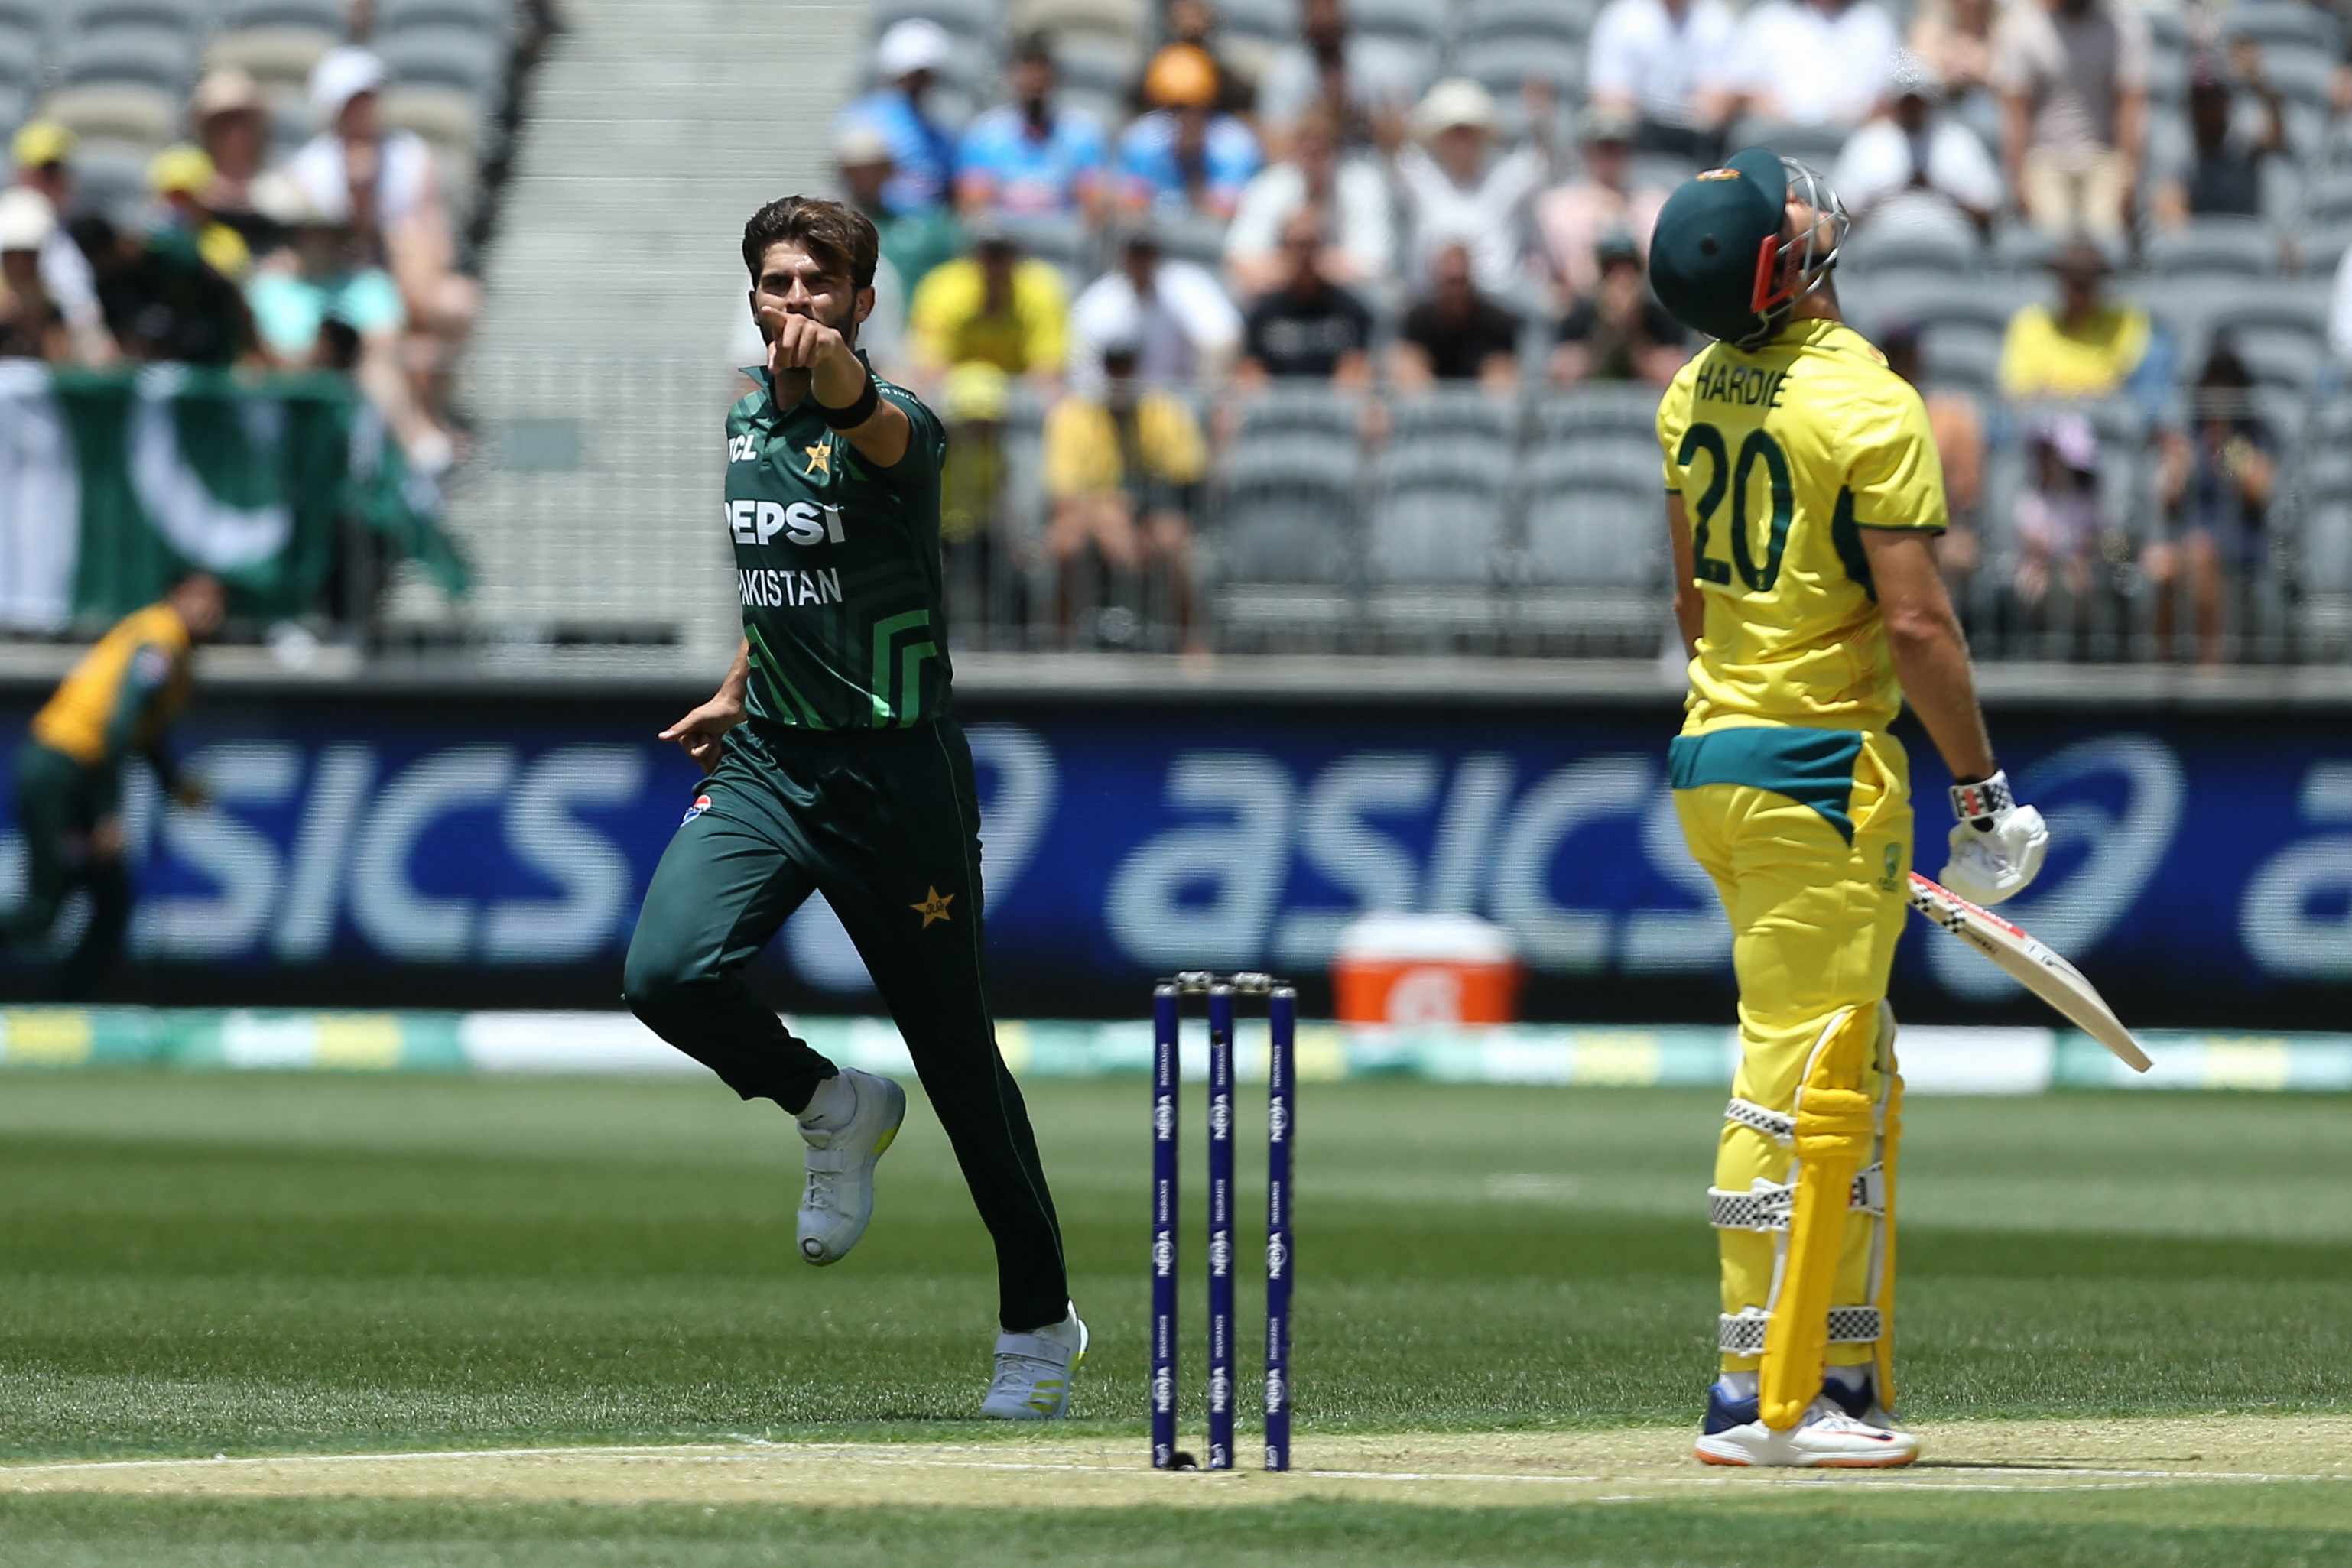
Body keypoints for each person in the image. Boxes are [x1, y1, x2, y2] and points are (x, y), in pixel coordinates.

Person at [622, 196, 1084, 1420]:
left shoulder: (900, 425)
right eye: (779, 284)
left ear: (864, 302)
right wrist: (734, 685)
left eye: (822, 285)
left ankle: (1039, 1323)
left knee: (958, 1057)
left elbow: (871, 432)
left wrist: (839, 378)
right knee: (666, 974)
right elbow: (785, 584)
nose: (798, 305)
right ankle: (833, 1103)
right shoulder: (740, 424)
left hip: (895, 779)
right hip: (773, 756)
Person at [1645, 148, 2048, 1467]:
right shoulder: (1865, 402)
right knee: (1801, 1069)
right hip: (1820, 771)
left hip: (1720, 754)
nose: (1813, 211)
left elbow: (1693, 608)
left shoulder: (1690, 392)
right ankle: (1758, 1396)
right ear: (1781, 262)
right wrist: (1982, 790)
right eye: (1793, 214)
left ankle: (1840, 1370)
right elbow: (1919, 623)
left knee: (1853, 1071)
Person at [2, 573, 225, 999]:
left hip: (74, 773)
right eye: (199, 598)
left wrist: (175, 786)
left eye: (217, 602)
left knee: (110, 896)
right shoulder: (160, 639)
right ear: (174, 597)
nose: (210, 611)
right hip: (60, 772)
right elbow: (118, 726)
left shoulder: (169, 648)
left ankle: (70, 1001)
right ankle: (66, 998)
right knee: (42, 911)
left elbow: (146, 736)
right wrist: (109, 814)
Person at [288, 47, 476, 468]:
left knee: (456, 303)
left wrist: (400, 255)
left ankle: (430, 416)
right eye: (353, 99)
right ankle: (415, 439)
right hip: (344, 291)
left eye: (368, 96)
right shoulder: (308, 170)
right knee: (379, 328)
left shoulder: (413, 158)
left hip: (405, 282)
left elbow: (435, 245)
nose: (364, 108)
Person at [1042, 339, 1209, 650]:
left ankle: (1191, 645)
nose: (1120, 376)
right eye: (1113, 367)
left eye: (1127, 367)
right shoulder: (1074, 415)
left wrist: (1133, 513)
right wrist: (1105, 516)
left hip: (1152, 514)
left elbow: (1186, 481)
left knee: (1174, 540)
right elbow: (1063, 496)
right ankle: (1060, 645)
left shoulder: (1165, 412)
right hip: (1090, 517)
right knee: (1065, 542)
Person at [2151, 338, 2274, 662]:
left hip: (2238, 541)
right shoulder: (2190, 435)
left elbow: (2258, 492)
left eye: (2227, 384)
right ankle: (2163, 669)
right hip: (2191, 538)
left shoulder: (2255, 434)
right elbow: (2168, 503)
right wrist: (2177, 467)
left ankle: (2211, 667)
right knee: (2160, 564)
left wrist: (2227, 448)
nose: (2219, 393)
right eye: (2213, 383)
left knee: (2202, 552)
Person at [1992, 0, 2149, 244]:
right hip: (2043, 160)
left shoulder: (2124, 27)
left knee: (2104, 243)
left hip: (2103, 157)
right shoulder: (2020, 29)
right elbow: (2015, 115)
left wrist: (2128, 175)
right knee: (2052, 245)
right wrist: (2019, 179)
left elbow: (2130, 106)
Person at [1395, 78, 1550, 295]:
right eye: (1454, 132)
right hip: (1430, 306)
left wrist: (1539, 118)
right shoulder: (1424, 180)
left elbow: (1540, 162)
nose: (1461, 141)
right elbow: (1394, 149)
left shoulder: (1502, 179)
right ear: (1438, 137)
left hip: (1497, 306)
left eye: (1468, 132)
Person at [1222, 107, 1393, 299]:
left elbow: (1373, 265)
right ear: (1296, 149)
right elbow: (1241, 262)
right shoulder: (1270, 186)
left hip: (1346, 303)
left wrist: (1298, 263)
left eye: (1323, 149)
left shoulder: (1363, 185)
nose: (1315, 159)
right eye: (1308, 150)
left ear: (1337, 149)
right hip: (1278, 301)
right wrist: (1316, 266)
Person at [1832, 51, 2003, 243]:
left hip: (1948, 239)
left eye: (1918, 101)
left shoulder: (1959, 142)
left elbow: (1987, 209)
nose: (1913, 107)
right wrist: (1891, 193)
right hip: (1881, 241)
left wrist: (1938, 190)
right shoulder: (1868, 142)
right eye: (1907, 100)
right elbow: (1844, 211)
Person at [1878, 320, 1984, 604]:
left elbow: (1967, 496)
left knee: (1959, 552)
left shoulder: (1950, 415)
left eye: (1906, 353)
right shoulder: (1866, 415)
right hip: (1876, 528)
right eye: (1893, 353)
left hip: (1935, 531)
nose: (1899, 362)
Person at [1067, 227, 1242, 394]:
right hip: (1114, 404)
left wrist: (1205, 394)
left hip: (1175, 404)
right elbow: (1083, 375)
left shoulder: (1185, 284)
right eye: (1135, 255)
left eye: (1148, 255)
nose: (1142, 262)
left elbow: (1221, 338)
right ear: (1121, 258)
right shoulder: (1097, 304)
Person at [955, 37, 1109, 223]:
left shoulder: (1080, 134)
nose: (1035, 79)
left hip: (1059, 239)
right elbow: (972, 205)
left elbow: (1095, 206)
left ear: (1055, 77)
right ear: (1012, 76)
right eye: (1027, 69)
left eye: (1042, 69)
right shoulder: (985, 135)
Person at [905, 222, 1069, 391]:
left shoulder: (1041, 289)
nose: (994, 266)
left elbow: (1048, 373)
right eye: (988, 256)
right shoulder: (943, 290)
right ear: (972, 259)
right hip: (955, 395)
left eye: (1002, 256)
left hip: (1020, 397)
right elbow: (931, 368)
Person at [1535, 106, 1672, 307]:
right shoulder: (1554, 209)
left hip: (1644, 308)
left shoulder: (1655, 205)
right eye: (1601, 147)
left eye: (1615, 147)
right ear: (1585, 150)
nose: (1608, 155)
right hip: (1578, 309)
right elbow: (1545, 276)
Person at [1116, 44, 1263, 221]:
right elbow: (1126, 207)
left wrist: (1194, 163)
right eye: (1175, 109)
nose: (1186, 118)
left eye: (1196, 108)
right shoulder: (1141, 139)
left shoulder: (1236, 146)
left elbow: (1227, 216)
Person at [1256, 0, 1418, 155]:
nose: (1324, 19)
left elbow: (1403, 135)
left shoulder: (1379, 64)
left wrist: (1357, 115)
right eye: (1316, 10)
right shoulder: (1286, 71)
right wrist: (1322, 119)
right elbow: (1275, 147)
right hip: (1310, 171)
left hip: (1372, 165)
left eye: (1330, 9)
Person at [2151, 47, 2287, 230]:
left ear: (2226, 102)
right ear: (2189, 104)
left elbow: (2276, 136)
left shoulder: (2242, 133)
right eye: (2200, 101)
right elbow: (2168, 207)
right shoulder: (2173, 144)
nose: (2207, 109)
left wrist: (2259, 83)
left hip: (2246, 233)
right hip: (2199, 241)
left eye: (2214, 100)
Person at [1997, 239, 2149, 402]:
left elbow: (2131, 384)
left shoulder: (2125, 321)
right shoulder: (2030, 323)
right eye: (2073, 283)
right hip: (2046, 420)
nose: (2079, 294)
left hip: (2106, 419)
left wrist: (2063, 390)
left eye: (2086, 285)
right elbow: (2017, 389)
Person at [1236, 209, 1375, 386]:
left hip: (1333, 408)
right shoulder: (1263, 313)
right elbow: (1251, 372)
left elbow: (1356, 370)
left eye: (1311, 244)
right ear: (1283, 249)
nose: (1304, 254)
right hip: (1277, 408)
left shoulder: (1351, 310)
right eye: (1297, 245)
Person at [1586, 0, 1738, 162]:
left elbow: (1716, 107)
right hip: (1638, 139)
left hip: (1693, 144)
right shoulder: (1623, 17)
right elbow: (1610, 98)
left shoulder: (1715, 20)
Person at [837, 18, 960, 218]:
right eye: (912, 74)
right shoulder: (863, 118)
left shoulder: (940, 131)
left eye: (924, 75)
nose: (918, 83)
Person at [10, 122, 111, 363]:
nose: (49, 181)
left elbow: (83, 317)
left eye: (56, 171)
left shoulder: (74, 238)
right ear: (22, 175)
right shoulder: (8, 229)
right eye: (42, 171)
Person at [1720, 0, 1900, 129]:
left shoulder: (1874, 24)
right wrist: (1753, 101)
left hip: (1850, 137)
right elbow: (1734, 92)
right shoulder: (1767, 20)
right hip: (1776, 135)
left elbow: (1888, 101)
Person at [2009, 411, 2106, 641]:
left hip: (2076, 567)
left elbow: (2093, 543)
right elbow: (2033, 543)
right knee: (2034, 584)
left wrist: (2079, 556)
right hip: (2039, 567)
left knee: (2078, 582)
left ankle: (2075, 645)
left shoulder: (2087, 503)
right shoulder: (2031, 500)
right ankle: (2040, 643)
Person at [1551, 229, 1685, 386]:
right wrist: (1607, 329)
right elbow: (1563, 375)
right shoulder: (1581, 313)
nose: (1621, 279)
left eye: (1628, 269)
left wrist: (1632, 330)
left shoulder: (1658, 315)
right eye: (1612, 269)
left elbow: (1671, 375)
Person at [837, 125, 962, 294]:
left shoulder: (919, 228)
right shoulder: (834, 231)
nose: (868, 177)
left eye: (876, 169)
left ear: (889, 171)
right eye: (859, 171)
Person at [1392, 239, 1520, 390]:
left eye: (1461, 281)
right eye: (1449, 281)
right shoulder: (1416, 319)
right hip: (1429, 398)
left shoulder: (1498, 322)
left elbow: (1505, 375)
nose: (1455, 291)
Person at [190, 67, 274, 252]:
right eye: (224, 121)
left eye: (242, 119)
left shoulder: (279, 187)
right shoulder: (189, 190)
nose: (235, 131)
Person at [0, 188, 68, 362]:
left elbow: (61, 359)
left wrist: (34, 326)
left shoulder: (50, 300)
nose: (21, 263)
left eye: (29, 255)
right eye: (13, 255)